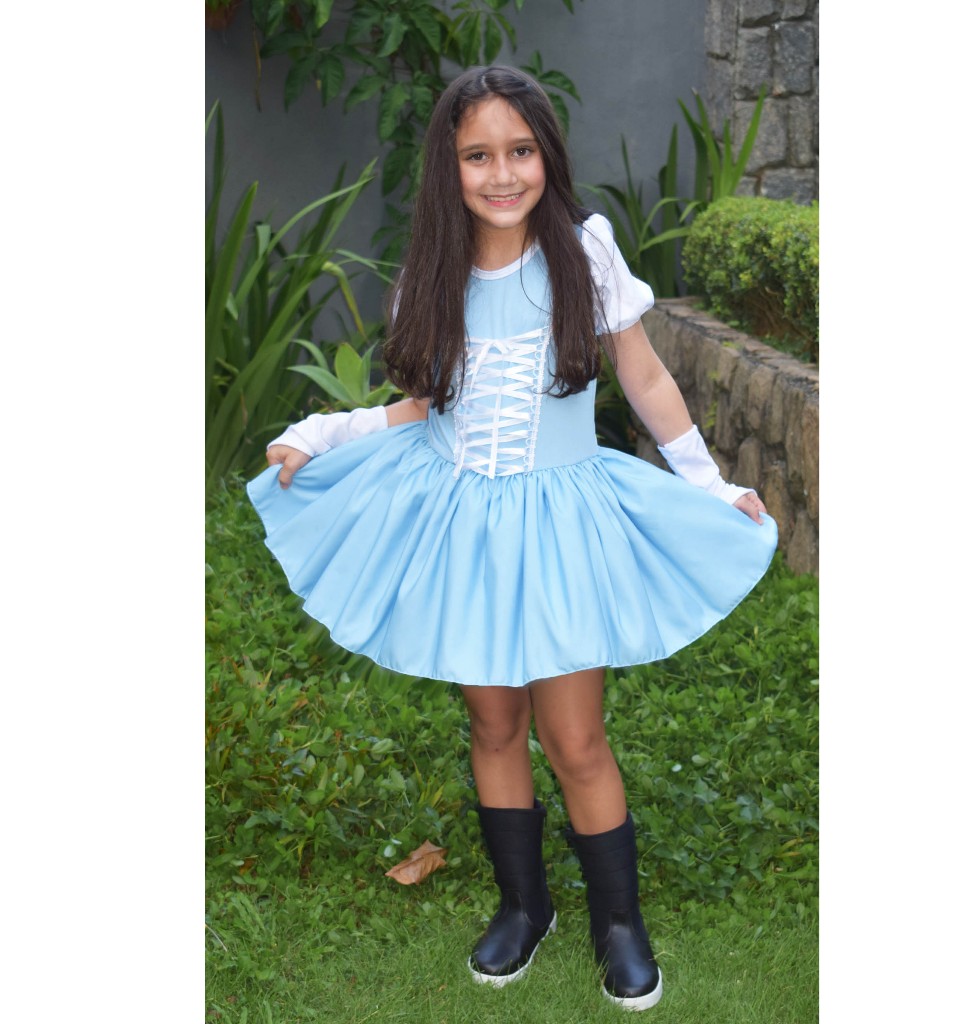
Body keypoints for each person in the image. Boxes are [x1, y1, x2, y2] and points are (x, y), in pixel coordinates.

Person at [247, 65, 777, 1013]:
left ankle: (620, 924)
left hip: (563, 523)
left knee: (575, 736)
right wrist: (324, 433)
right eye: (478, 155)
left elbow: (646, 379)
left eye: (520, 151)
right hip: (464, 527)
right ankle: (524, 906)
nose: (502, 174)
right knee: (494, 723)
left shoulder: (585, 253)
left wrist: (708, 482)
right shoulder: (432, 272)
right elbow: (423, 405)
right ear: (449, 167)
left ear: (547, 155)